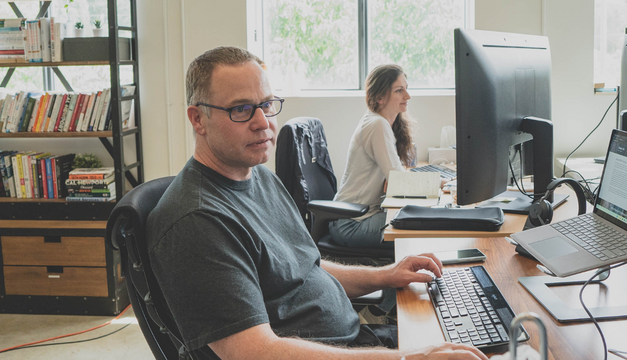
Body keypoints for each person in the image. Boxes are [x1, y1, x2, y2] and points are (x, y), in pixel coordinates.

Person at [146, 46, 487, 360]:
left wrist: (387, 275)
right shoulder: (196, 221)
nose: (263, 122)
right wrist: (411, 357)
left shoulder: (258, 176)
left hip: (353, 341)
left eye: (266, 104)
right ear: (197, 119)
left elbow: (306, 267)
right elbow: (254, 352)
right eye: (241, 109)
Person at [329, 64, 416, 249]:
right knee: (421, 226)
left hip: (361, 217)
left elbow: (394, 179)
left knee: (422, 217)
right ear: (380, 98)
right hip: (351, 223)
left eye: (406, 89)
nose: (407, 96)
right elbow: (399, 181)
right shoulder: (377, 125)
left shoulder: (382, 123)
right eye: (399, 91)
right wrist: (441, 184)